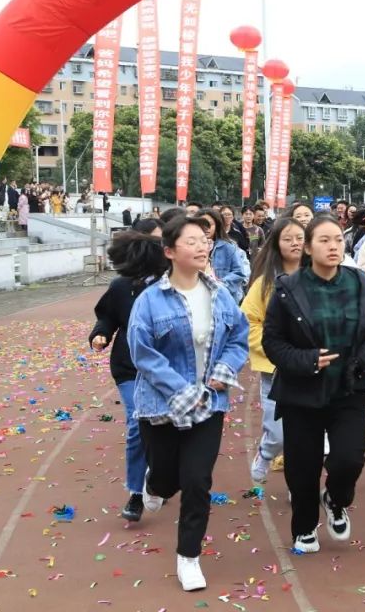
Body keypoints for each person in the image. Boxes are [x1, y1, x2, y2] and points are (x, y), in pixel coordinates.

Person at [126, 215, 249, 591]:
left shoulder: (220, 294)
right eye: (191, 241)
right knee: (167, 480)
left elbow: (239, 336)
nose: (201, 246)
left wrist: (225, 368)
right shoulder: (150, 300)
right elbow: (142, 352)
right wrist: (180, 389)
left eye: (204, 240)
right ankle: (153, 484)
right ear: (169, 251)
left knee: (197, 480)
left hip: (209, 403)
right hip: (162, 406)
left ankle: (189, 556)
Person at [262, 215, 365, 554]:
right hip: (302, 392)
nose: (333, 246)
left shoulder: (360, 282)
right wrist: (307, 360)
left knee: (349, 458)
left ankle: (336, 499)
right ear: (308, 247)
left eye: (338, 240)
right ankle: (303, 527)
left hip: (348, 387)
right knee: (303, 465)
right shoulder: (288, 288)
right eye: (324, 240)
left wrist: (362, 361)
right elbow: (273, 342)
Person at [89, 219, 166, 522]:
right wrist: (100, 334)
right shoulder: (121, 287)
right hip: (129, 368)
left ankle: (158, 478)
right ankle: (136, 492)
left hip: (168, 368)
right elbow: (107, 317)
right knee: (138, 421)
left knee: (165, 428)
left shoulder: (175, 284)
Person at [241, 218, 306, 484]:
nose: (295, 243)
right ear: (277, 244)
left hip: (311, 368)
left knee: (305, 433)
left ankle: (298, 485)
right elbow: (248, 322)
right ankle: (267, 452)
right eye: (288, 239)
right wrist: (275, 348)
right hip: (275, 370)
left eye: (300, 238)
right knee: (278, 432)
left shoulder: (319, 277)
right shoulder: (265, 283)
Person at [198, 208, 249, 303]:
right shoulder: (190, 247)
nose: (206, 228)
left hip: (224, 299)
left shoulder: (228, 246)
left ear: (217, 225)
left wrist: (218, 285)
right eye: (201, 224)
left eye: (210, 224)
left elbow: (238, 272)